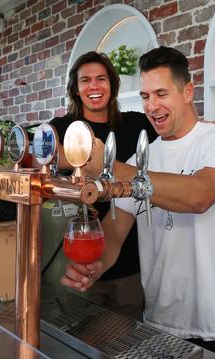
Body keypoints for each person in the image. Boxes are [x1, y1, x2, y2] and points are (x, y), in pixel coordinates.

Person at [60, 46, 215, 359]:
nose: (152, 106)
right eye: (146, 96)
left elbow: (198, 196)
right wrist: (96, 265)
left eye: (161, 93)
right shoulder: (144, 156)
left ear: (187, 92)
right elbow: (115, 230)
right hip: (160, 319)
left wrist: (108, 168)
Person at [48, 51, 158, 320]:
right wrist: (73, 157)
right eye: (85, 80)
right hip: (77, 262)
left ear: (113, 85)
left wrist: (206, 126)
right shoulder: (62, 127)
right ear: (76, 89)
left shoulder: (137, 124)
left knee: (124, 345)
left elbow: (175, 131)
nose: (94, 86)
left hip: (131, 262)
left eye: (101, 78)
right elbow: (38, 152)